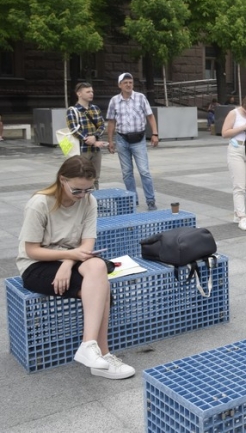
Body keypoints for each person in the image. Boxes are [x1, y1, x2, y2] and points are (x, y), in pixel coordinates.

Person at [17, 156, 135, 379]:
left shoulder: (89, 201)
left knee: (98, 267)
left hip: (72, 260)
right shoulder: (40, 203)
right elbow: (32, 250)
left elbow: (87, 245)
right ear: (62, 180)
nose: (82, 195)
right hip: (36, 265)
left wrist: (68, 262)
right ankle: (103, 355)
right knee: (102, 289)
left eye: (88, 190)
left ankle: (89, 347)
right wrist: (69, 256)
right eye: (77, 191)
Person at [106, 73, 159, 210]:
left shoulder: (140, 98)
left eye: (130, 82)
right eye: (125, 83)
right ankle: (132, 200)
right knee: (127, 173)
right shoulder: (114, 101)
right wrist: (110, 141)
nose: (128, 85)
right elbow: (111, 121)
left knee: (144, 171)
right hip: (122, 139)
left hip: (138, 139)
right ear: (120, 85)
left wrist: (154, 133)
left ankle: (150, 200)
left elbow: (150, 116)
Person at [222, 94, 246, 230]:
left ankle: (237, 213)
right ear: (244, 104)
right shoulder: (234, 113)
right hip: (236, 148)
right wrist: (242, 128)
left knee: (245, 185)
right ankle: (242, 217)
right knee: (238, 185)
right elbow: (224, 133)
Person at [67, 82, 108, 189]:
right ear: (79, 94)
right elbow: (74, 129)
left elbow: (102, 125)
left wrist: (95, 137)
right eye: (88, 92)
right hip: (81, 149)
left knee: (95, 177)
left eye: (92, 91)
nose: (91, 94)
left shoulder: (95, 108)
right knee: (81, 176)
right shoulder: (72, 111)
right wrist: (88, 139)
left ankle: (95, 201)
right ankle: (81, 200)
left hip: (96, 150)